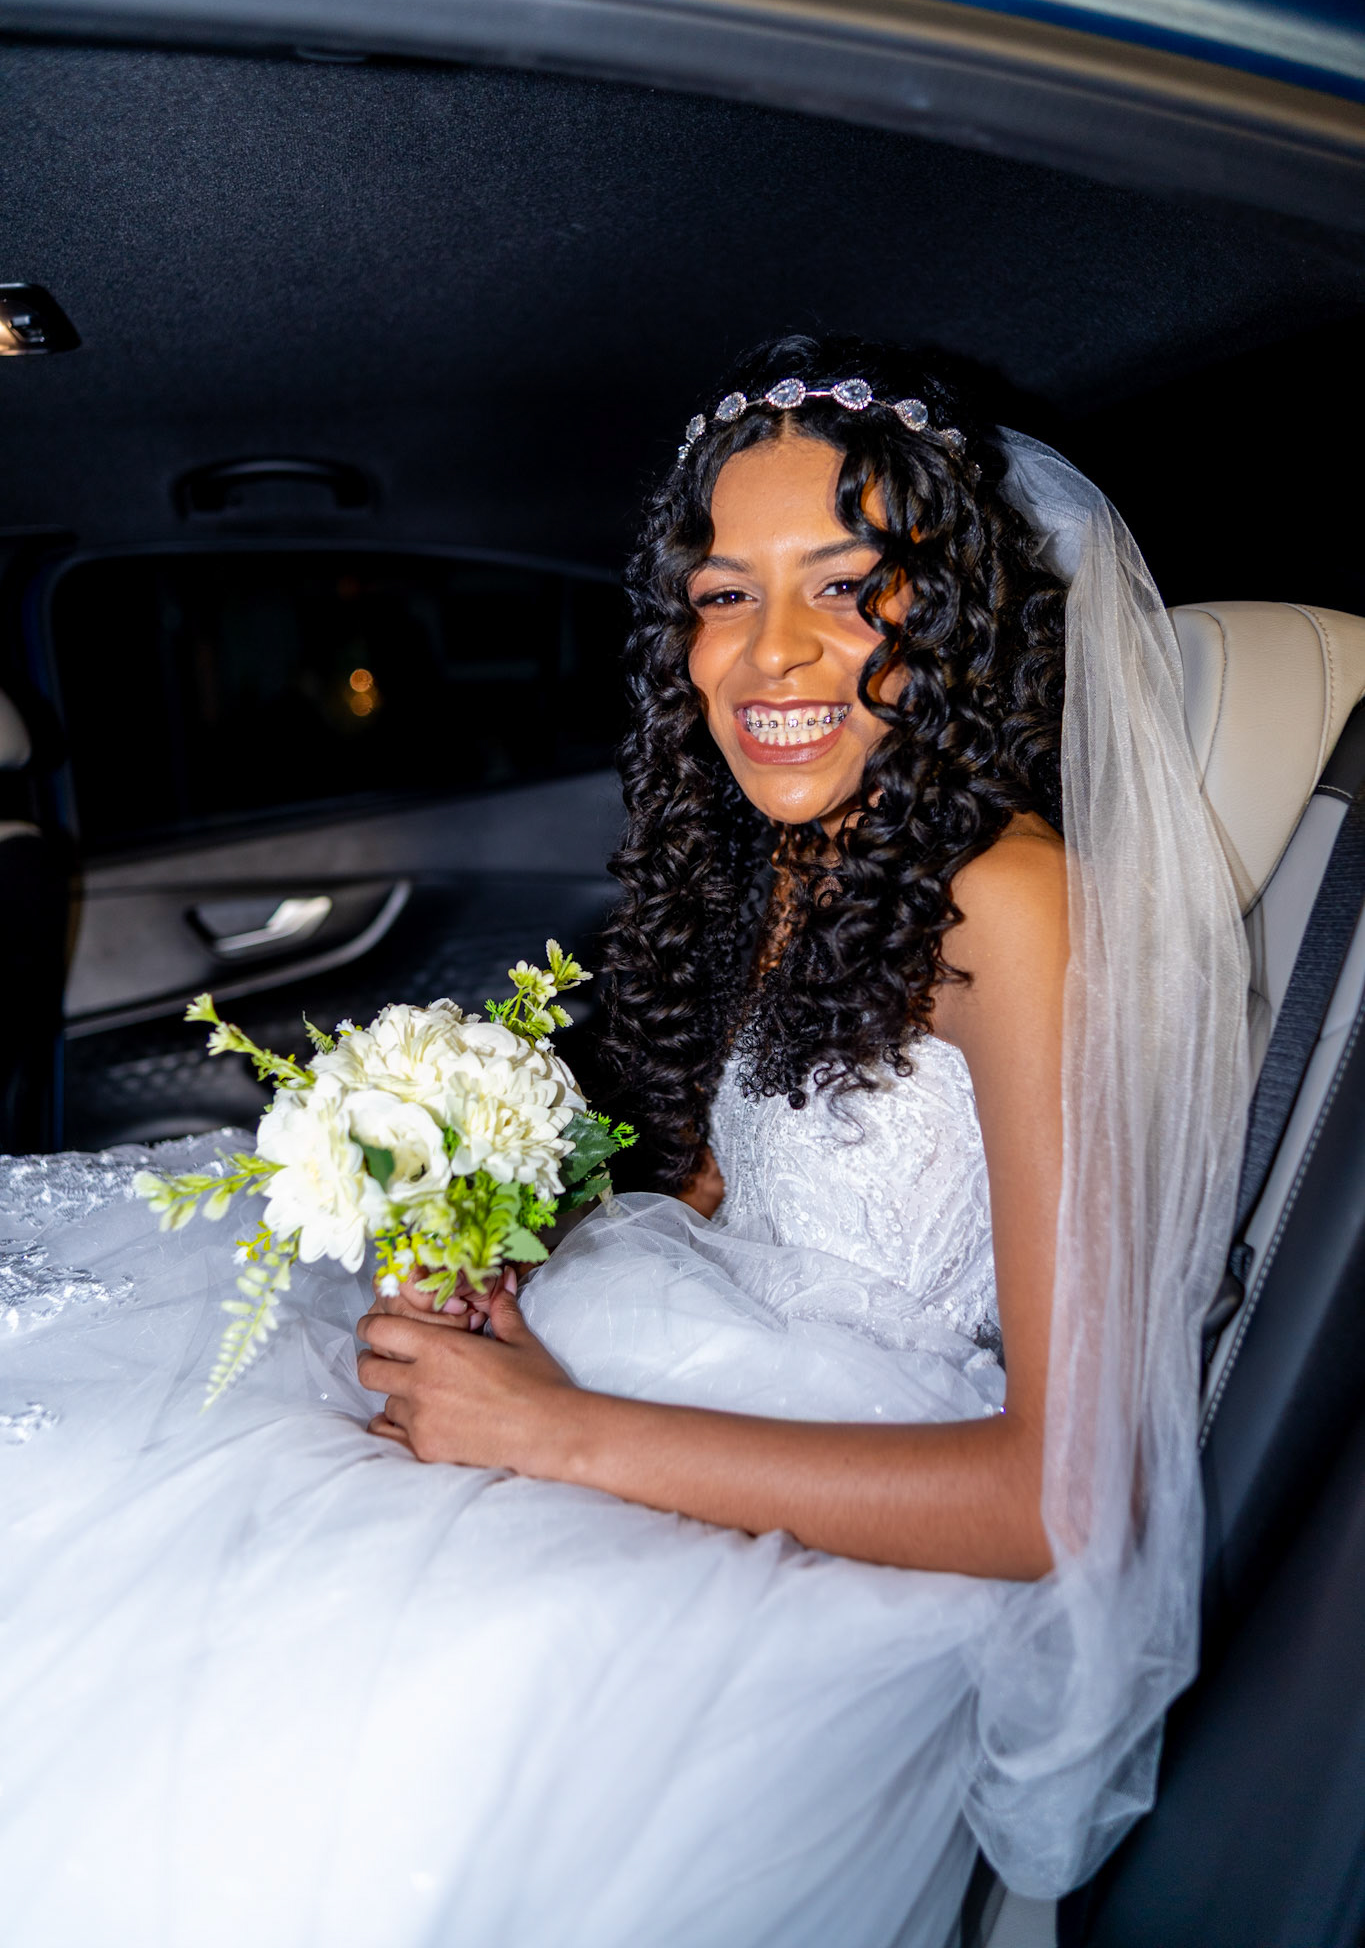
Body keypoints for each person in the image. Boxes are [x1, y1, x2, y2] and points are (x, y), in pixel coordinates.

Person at [0, 335, 1248, 1947]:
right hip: (686, 1362)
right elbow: (730, 1193)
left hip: (857, 1496)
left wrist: (558, 1432)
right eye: (725, 595)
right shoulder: (807, 859)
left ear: (951, 614)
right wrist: (506, 1275)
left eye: (845, 585)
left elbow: (1066, 1504)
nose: (769, 653)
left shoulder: (1012, 904)